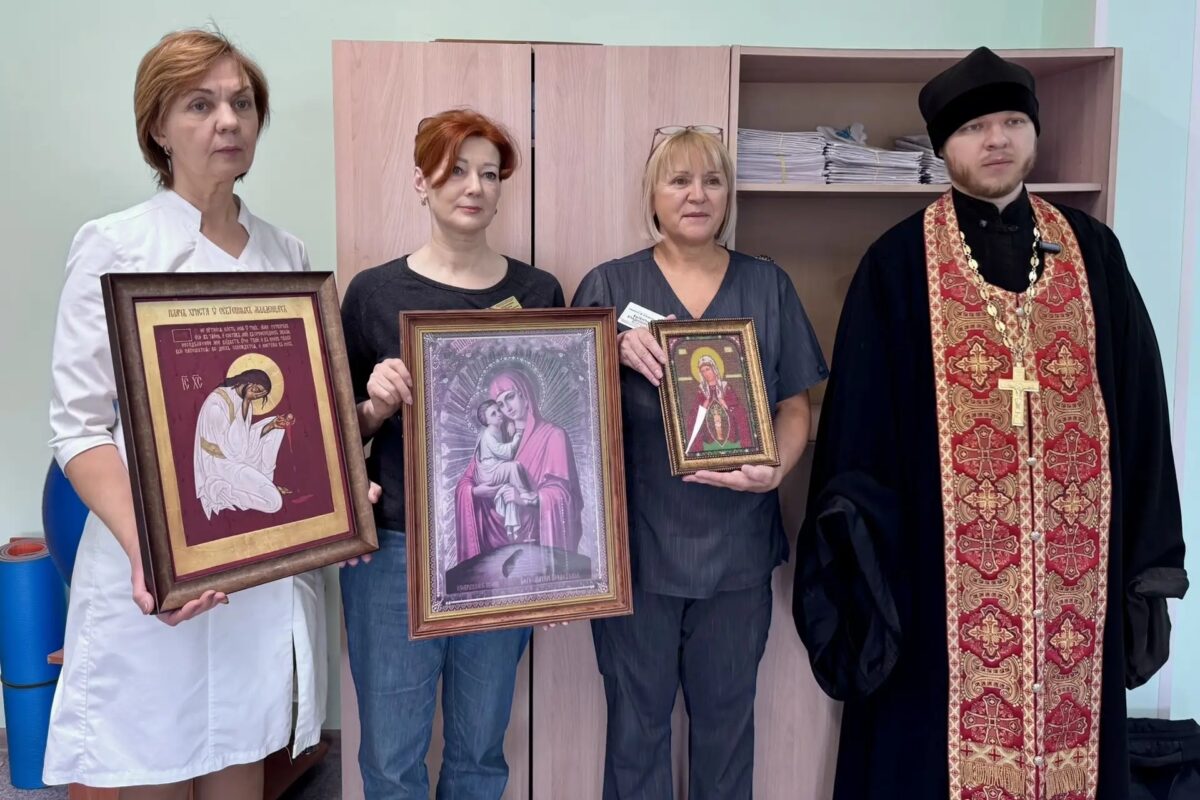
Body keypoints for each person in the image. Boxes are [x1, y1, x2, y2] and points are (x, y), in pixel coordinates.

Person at [792, 47, 1188, 800]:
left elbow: (1142, 416)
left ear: (1034, 133)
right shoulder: (898, 265)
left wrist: (1149, 567)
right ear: (944, 147)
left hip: (1076, 595)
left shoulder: (1094, 254)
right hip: (938, 597)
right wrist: (866, 571)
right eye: (974, 127)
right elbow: (859, 436)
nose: (997, 139)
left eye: (1011, 121)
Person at [44, 29, 328, 799]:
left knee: (239, 766)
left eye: (242, 103)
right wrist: (155, 556)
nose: (228, 120)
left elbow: (300, 419)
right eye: (200, 105)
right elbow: (78, 427)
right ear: (159, 128)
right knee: (150, 766)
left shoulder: (285, 254)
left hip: (254, 576)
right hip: (151, 573)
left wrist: (328, 491)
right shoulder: (113, 246)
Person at [572, 127, 827, 799]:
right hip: (637, 556)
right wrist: (609, 348)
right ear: (652, 195)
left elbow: (795, 404)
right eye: (679, 180)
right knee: (636, 734)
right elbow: (564, 405)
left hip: (737, 555)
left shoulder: (767, 285)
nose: (697, 195)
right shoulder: (609, 284)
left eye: (713, 181)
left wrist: (778, 467)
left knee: (726, 731)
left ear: (728, 195)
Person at [339, 108, 565, 799]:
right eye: (456, 170)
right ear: (421, 181)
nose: (474, 187)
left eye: (489, 174)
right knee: (391, 757)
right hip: (396, 549)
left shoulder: (539, 294)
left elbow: (560, 435)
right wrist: (375, 404)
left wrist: (567, 555)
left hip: (502, 551)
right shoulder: (374, 293)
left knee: (480, 753)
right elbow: (333, 439)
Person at [455, 367, 583, 559]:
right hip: (493, 544)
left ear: (525, 394)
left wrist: (524, 499)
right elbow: (466, 483)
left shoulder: (553, 435)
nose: (506, 407)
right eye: (500, 404)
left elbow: (563, 495)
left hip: (537, 542)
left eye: (510, 397)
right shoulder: (496, 437)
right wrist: (475, 492)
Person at [194, 368, 296, 519]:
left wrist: (272, 425)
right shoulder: (216, 403)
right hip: (218, 466)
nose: (255, 396)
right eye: (257, 391)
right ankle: (225, 493)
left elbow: (245, 441)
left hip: (233, 462)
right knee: (274, 502)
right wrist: (246, 402)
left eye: (260, 395)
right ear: (249, 383)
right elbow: (233, 449)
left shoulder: (244, 402)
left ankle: (257, 487)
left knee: (274, 431)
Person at [472, 398, 532, 539]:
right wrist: (517, 436)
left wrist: (510, 423)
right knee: (513, 466)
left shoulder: (499, 428)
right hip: (488, 472)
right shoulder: (488, 433)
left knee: (511, 485)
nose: (499, 414)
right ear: (487, 421)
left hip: (495, 467)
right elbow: (505, 453)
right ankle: (525, 495)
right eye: (493, 414)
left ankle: (513, 526)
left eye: (498, 410)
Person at [685, 352, 752, 453]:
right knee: (692, 418)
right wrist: (704, 404)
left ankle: (744, 447)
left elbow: (736, 403)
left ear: (714, 369)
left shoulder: (725, 386)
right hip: (708, 422)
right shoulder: (701, 390)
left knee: (741, 413)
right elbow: (696, 408)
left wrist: (725, 403)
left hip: (727, 418)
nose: (706, 373)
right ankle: (698, 450)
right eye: (703, 371)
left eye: (707, 369)